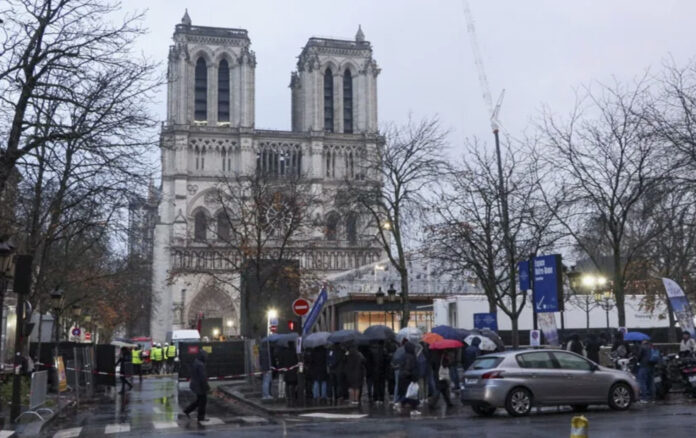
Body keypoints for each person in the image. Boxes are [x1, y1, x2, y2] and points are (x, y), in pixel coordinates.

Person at [183, 350, 209, 423]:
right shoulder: (200, 365)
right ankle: (201, 417)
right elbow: (202, 377)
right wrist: (206, 386)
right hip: (200, 385)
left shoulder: (196, 362)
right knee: (203, 401)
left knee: (199, 400)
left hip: (195, 384)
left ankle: (187, 410)